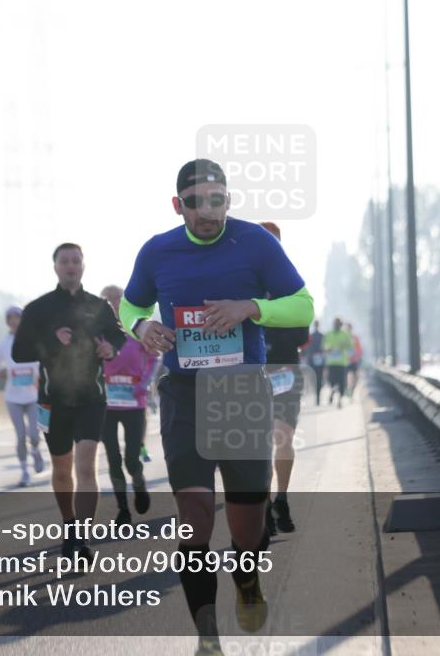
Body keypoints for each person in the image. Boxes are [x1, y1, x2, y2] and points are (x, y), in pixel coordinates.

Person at [120, 159, 314, 656]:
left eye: (217, 200)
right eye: (195, 202)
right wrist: (142, 328)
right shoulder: (158, 250)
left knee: (248, 520)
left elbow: (303, 304)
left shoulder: (254, 242)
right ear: (177, 205)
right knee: (196, 511)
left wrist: (250, 308)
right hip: (184, 393)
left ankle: (246, 579)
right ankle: (207, 638)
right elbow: (130, 304)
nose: (207, 211)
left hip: (241, 392)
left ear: (229, 200)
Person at [11, 244, 126, 561]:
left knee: (86, 464)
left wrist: (110, 349)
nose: (71, 266)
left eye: (76, 260)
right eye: (65, 261)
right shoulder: (38, 309)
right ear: (55, 267)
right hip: (52, 400)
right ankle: (69, 525)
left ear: (83, 266)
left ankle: (82, 538)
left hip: (91, 396)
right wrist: (51, 341)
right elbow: (19, 352)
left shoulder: (98, 306)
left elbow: (118, 336)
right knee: (62, 470)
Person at [258, 222, 309, 536]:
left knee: (282, 436)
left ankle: (282, 498)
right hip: (249, 372)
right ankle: (263, 507)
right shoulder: (241, 285)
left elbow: (302, 331)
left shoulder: (291, 285)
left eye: (273, 244)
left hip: (285, 370)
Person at [98, 285, 157, 526]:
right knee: (113, 458)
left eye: (117, 299)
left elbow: (153, 358)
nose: (112, 304)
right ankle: (123, 509)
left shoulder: (136, 330)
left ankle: (139, 484)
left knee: (132, 459)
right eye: (108, 300)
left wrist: (144, 382)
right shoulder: (98, 333)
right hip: (106, 406)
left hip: (134, 402)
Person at [0, 306, 44, 487]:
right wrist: (0, 372)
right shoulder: (4, 343)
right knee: (20, 436)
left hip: (33, 396)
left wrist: (39, 372)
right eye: (10, 318)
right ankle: (24, 472)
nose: (14, 321)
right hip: (13, 398)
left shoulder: (32, 339)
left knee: (34, 435)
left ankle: (35, 451)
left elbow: (43, 360)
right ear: (7, 321)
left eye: (17, 317)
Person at [323, 317, 353, 409]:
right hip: (331, 363)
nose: (337, 325)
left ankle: (339, 400)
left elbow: (350, 346)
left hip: (342, 363)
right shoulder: (328, 334)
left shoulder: (345, 334)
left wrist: (343, 346)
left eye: (338, 324)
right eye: (335, 324)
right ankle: (332, 392)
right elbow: (324, 346)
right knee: (331, 381)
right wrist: (328, 349)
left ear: (341, 325)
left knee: (341, 383)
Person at [304, 321, 326, 406]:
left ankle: (317, 394)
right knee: (318, 378)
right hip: (317, 359)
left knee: (314, 378)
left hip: (313, 360)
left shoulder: (311, 336)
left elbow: (307, 348)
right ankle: (317, 394)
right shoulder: (321, 336)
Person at [346, 322, 363, 397]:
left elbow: (359, 349)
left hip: (354, 360)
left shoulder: (355, 337)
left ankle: (352, 389)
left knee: (356, 378)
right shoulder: (344, 337)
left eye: (349, 328)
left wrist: (358, 356)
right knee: (346, 377)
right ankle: (347, 390)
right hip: (345, 361)